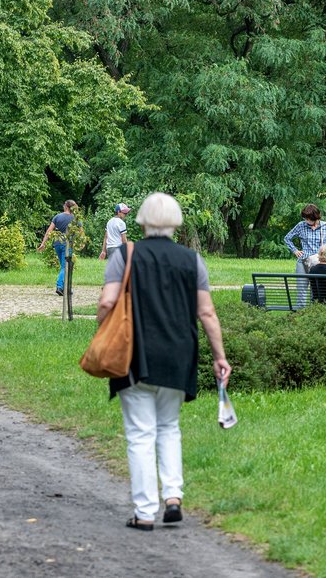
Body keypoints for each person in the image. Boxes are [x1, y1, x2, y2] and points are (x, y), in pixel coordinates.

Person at [97, 192, 232, 532]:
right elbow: (206, 312)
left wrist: (103, 335)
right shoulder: (192, 260)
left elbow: (107, 302)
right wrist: (220, 357)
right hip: (178, 353)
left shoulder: (125, 255)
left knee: (140, 434)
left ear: (141, 220)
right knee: (169, 427)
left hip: (135, 354)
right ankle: (173, 496)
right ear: (175, 221)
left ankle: (144, 512)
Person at [283, 203, 326, 308]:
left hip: (319, 263)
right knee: (301, 289)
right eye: (305, 218)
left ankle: (313, 312)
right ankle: (299, 312)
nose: (306, 220)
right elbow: (287, 238)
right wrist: (295, 250)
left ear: (315, 217)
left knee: (315, 290)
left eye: (308, 218)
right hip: (303, 261)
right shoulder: (301, 225)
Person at [36, 199, 78, 295]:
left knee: (64, 266)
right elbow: (80, 231)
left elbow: (49, 231)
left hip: (57, 244)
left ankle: (66, 288)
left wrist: (43, 243)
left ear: (66, 206)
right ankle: (60, 286)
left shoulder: (57, 217)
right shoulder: (75, 218)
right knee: (65, 266)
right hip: (67, 244)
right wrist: (81, 243)